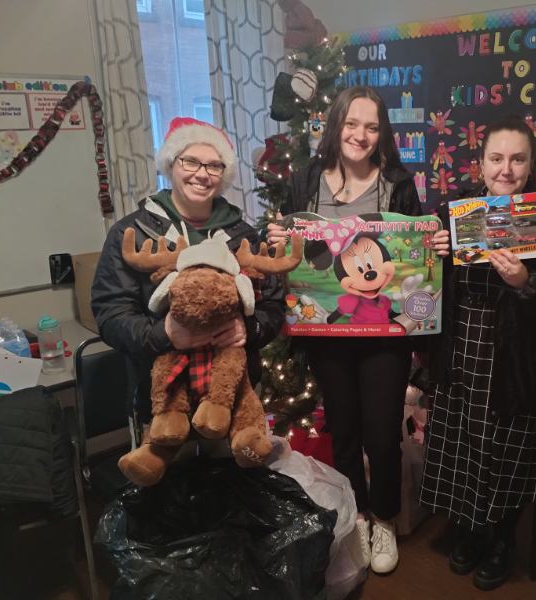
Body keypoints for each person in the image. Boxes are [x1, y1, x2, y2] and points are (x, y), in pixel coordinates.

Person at [419, 114, 536, 591]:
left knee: (506, 451)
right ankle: (470, 529)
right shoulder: (453, 213)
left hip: (516, 360)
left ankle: (503, 539)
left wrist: (525, 283)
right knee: (463, 445)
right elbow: (423, 288)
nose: (505, 169)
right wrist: (436, 253)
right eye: (496, 158)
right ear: (481, 162)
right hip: (461, 350)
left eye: (517, 159)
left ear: (530, 164)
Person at [266, 86, 421, 574]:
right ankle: (355, 518)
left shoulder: (397, 182)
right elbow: (292, 253)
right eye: (352, 124)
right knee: (346, 433)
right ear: (335, 125)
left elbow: (415, 253)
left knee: (382, 435)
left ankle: (385, 520)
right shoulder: (308, 178)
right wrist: (278, 239)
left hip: (384, 335)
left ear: (383, 134)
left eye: (372, 127)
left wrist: (429, 240)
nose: (361, 135)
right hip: (327, 335)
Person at [92, 117, 286, 444]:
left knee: (238, 485)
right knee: (164, 487)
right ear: (171, 164)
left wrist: (249, 330)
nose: (202, 174)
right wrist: (163, 334)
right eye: (190, 161)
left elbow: (273, 304)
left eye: (214, 166)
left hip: (234, 398)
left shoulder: (244, 236)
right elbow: (110, 312)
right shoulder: (132, 234)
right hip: (162, 399)